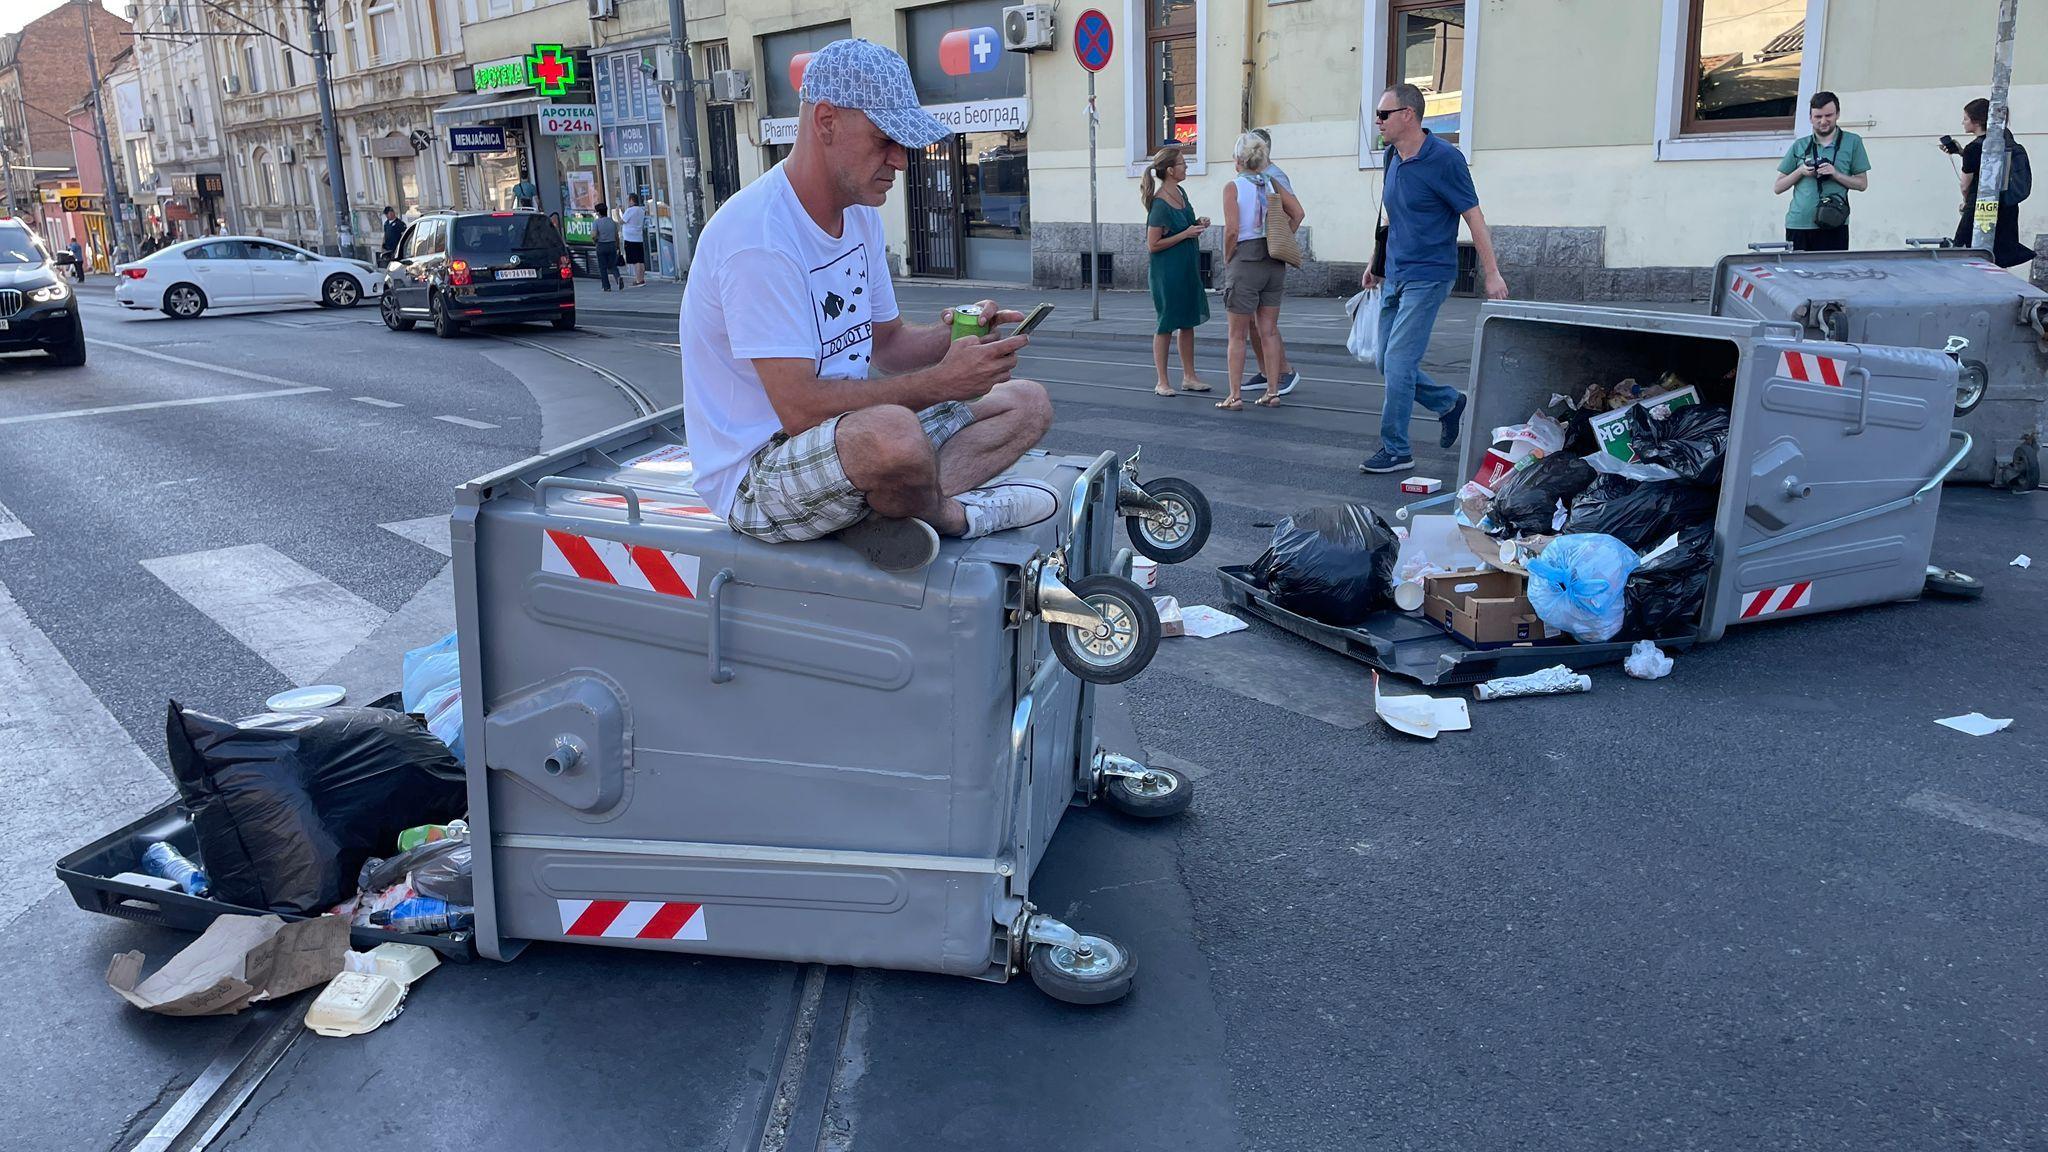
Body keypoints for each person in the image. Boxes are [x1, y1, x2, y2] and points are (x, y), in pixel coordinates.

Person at [679, 38, 1057, 572]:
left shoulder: (859, 214)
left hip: (848, 438)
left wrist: (959, 338)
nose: (901, 160)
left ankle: (882, 514)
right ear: (826, 121)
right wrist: (940, 384)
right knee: (892, 434)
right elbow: (799, 410)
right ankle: (949, 514)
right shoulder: (758, 238)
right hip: (759, 475)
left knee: (1027, 402)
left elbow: (890, 345)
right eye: (885, 140)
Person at [1358, 82, 1508, 474]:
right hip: (1394, 272)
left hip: (1429, 275)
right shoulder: (1392, 155)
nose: (1378, 121)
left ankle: (1396, 449)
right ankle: (1448, 403)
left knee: (1400, 361)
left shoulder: (1445, 160)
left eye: (1384, 114)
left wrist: (1491, 273)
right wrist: (1375, 261)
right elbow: (1390, 215)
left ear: (1408, 115)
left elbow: (1474, 217)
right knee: (1384, 362)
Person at [1214, 132, 1303, 412]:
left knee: (1237, 334)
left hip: (1247, 259)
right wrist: (1283, 237)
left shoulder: (1234, 187)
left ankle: (1235, 396)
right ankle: (1273, 392)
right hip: (1273, 258)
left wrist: (1228, 257)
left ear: (1238, 159)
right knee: (1269, 330)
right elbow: (1298, 213)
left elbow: (1231, 230)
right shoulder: (1272, 183)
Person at [1141, 147, 1211, 397]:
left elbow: (1183, 227)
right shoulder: (1159, 203)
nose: (1186, 167)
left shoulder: (1180, 192)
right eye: (1182, 164)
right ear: (1170, 170)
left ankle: (1189, 377)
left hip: (1186, 267)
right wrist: (1186, 233)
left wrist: (1197, 224)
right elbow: (1153, 244)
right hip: (1167, 272)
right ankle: (1162, 381)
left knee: (1187, 321)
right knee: (1166, 324)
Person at [1773, 91, 1871, 252]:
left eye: (1828, 115)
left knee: (1833, 275)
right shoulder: (1800, 145)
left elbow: (1862, 184)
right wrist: (1801, 171)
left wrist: (1835, 174)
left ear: (1837, 114)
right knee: (1798, 276)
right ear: (1810, 118)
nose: (1823, 121)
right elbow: (1778, 187)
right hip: (1799, 224)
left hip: (1834, 222)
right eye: (1818, 117)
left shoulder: (1852, 141)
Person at [1948, 97, 2035, 268]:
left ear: (1977, 121)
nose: (1963, 122)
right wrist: (1961, 152)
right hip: (2005, 208)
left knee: (1966, 253)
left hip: (1979, 210)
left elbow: (1965, 185)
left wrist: (1965, 203)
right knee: (1997, 259)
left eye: (1966, 118)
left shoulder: (1973, 148)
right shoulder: (2003, 142)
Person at [1244, 126, 1298, 398]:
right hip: (1258, 254)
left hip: (1266, 255)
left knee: (1265, 321)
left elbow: (1295, 213)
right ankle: (1266, 370)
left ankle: (1283, 370)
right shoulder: (1255, 176)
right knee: (1256, 320)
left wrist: (1279, 242)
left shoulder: (1274, 176)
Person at [591, 201, 623, 291]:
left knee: (603, 267)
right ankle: (618, 277)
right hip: (612, 244)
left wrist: (594, 240)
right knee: (613, 265)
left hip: (601, 245)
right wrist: (618, 247)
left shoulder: (596, 222)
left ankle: (606, 286)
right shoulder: (612, 221)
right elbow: (616, 236)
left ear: (598, 212)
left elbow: (594, 235)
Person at [621, 193, 647, 286]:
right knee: (640, 260)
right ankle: (642, 278)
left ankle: (638, 280)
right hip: (638, 237)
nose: (627, 201)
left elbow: (622, 221)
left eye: (628, 199)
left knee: (636, 261)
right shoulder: (641, 210)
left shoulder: (630, 210)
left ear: (632, 200)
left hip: (630, 238)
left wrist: (617, 212)